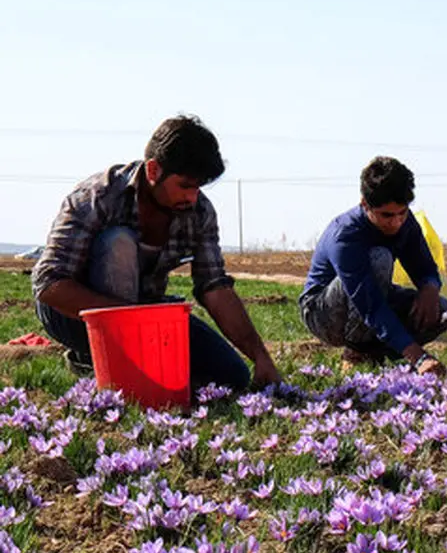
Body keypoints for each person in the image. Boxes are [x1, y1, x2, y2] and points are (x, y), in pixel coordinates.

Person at [32, 114, 280, 391]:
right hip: (73, 315)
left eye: (198, 187)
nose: (192, 197)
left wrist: (260, 356)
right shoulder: (97, 198)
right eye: (185, 185)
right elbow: (49, 284)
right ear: (153, 171)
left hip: (145, 313)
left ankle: (118, 359)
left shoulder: (198, 212)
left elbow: (215, 287)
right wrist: (132, 321)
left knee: (231, 376)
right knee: (119, 244)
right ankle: (98, 359)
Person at [300, 157, 447, 375]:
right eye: (387, 215)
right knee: (380, 259)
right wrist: (418, 358)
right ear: (365, 204)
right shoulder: (345, 234)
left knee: (443, 311)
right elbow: (369, 303)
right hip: (324, 312)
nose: (396, 222)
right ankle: (357, 353)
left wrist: (429, 288)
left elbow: (425, 268)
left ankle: (376, 350)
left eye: (402, 212)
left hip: (372, 300)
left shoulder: (405, 224)